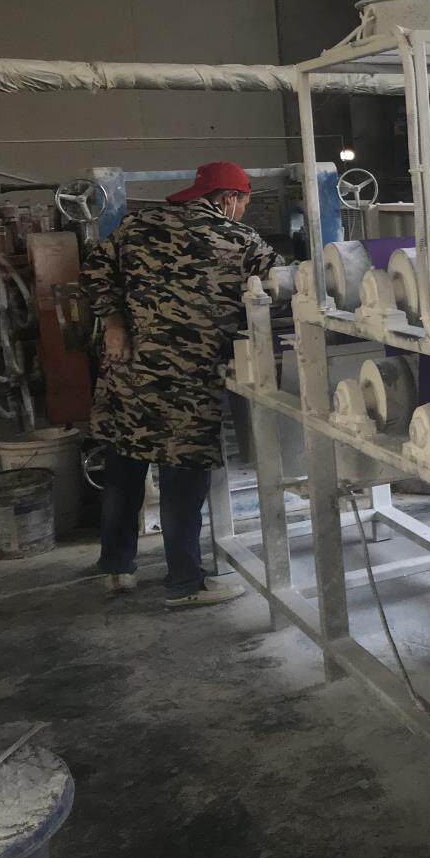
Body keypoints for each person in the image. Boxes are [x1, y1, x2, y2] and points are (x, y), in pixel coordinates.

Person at [81, 161, 282, 607]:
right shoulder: (242, 240)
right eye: (244, 204)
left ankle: (116, 569)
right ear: (229, 199)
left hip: (128, 372)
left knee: (124, 468)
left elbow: (94, 270)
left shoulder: (138, 226)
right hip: (189, 381)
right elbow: (283, 285)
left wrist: (114, 323)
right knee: (182, 480)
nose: (242, 213)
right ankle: (185, 584)